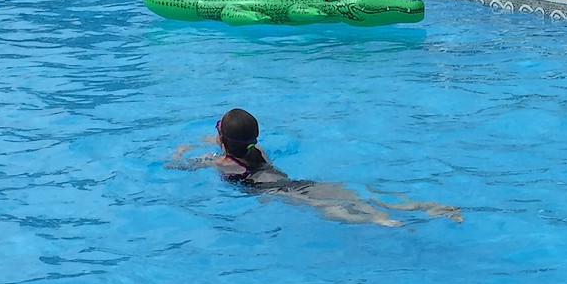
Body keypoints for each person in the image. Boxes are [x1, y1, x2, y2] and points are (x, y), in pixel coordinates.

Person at [170, 108, 463, 227]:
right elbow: (240, 142)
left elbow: (179, 166)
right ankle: (425, 206)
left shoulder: (221, 164)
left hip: (281, 192)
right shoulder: (258, 149)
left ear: (221, 140)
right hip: (298, 181)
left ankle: (383, 223)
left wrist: (181, 150)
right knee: (361, 195)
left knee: (331, 209)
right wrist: (222, 137)